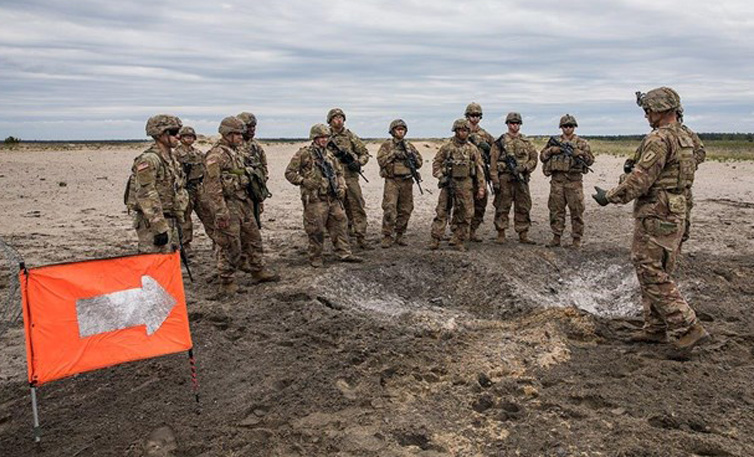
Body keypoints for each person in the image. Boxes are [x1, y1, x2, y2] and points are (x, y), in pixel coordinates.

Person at [593, 87, 709, 351]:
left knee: (648, 267)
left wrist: (610, 196)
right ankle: (655, 327)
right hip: (678, 208)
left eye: (649, 109)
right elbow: (698, 156)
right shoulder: (687, 136)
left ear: (662, 110)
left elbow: (639, 180)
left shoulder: (659, 139)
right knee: (660, 265)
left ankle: (687, 326)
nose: (646, 114)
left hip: (657, 211)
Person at [203, 116, 279, 297]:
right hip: (228, 204)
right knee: (229, 243)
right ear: (228, 134)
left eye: (241, 133)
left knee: (253, 235)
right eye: (237, 134)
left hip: (243, 201)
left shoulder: (235, 151)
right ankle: (227, 280)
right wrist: (221, 212)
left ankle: (257, 269)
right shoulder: (216, 155)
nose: (240, 137)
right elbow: (212, 187)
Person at [285, 123, 363, 267]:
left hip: (332, 197)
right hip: (315, 199)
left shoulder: (330, 155)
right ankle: (315, 256)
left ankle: (344, 253)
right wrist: (303, 181)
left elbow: (339, 172)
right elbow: (289, 173)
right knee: (316, 229)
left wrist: (341, 186)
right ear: (314, 138)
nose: (323, 140)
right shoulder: (304, 154)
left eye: (326, 137)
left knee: (340, 223)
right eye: (320, 137)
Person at [125, 114, 188, 253]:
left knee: (169, 261)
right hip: (153, 223)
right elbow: (146, 194)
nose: (178, 136)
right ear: (160, 135)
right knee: (153, 264)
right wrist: (159, 227)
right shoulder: (149, 160)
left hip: (170, 219)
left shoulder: (171, 159)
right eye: (173, 132)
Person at [428, 119, 485, 251]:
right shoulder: (447, 147)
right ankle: (435, 239)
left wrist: (481, 187)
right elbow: (436, 164)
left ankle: (459, 239)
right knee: (442, 211)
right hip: (449, 183)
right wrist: (441, 176)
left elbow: (479, 169)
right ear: (455, 131)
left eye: (465, 130)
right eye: (459, 130)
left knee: (465, 213)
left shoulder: (472, 149)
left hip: (466, 185)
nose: (462, 133)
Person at [540, 114, 594, 248]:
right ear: (561, 127)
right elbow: (542, 156)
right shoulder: (554, 142)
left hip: (574, 182)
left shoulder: (582, 143)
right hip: (557, 181)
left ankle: (576, 239)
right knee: (556, 210)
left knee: (576, 211)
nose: (568, 129)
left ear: (574, 127)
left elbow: (590, 161)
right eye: (565, 126)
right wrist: (552, 150)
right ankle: (556, 237)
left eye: (570, 126)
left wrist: (580, 153)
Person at [326, 108, 372, 249]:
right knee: (336, 209)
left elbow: (364, 153)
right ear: (330, 120)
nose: (338, 120)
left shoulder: (351, 136)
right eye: (335, 117)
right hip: (333, 179)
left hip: (351, 177)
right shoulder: (325, 137)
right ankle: (341, 240)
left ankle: (361, 237)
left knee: (357, 206)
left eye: (341, 117)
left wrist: (357, 163)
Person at [489, 112, 538, 244]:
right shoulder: (500, 142)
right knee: (502, 206)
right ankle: (501, 233)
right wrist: (495, 180)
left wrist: (526, 167)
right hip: (505, 178)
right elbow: (493, 163)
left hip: (521, 179)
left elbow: (534, 158)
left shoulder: (526, 142)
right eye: (512, 123)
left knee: (523, 205)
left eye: (517, 123)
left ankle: (523, 233)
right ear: (507, 124)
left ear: (520, 125)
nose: (514, 126)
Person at [376, 119, 424, 248]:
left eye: (402, 129)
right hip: (392, 181)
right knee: (390, 208)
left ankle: (400, 234)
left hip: (407, 181)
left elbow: (419, 163)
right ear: (392, 131)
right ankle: (387, 235)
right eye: (398, 129)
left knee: (406, 209)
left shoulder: (409, 146)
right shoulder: (387, 146)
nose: (400, 131)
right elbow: (381, 161)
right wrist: (394, 154)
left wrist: (411, 156)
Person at [174, 126, 213, 254]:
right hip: (185, 188)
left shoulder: (198, 153)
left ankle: (216, 240)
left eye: (191, 137)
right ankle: (185, 244)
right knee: (185, 217)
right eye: (186, 136)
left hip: (198, 187)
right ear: (181, 138)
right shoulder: (176, 154)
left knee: (207, 213)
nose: (189, 139)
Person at [464, 103, 496, 242]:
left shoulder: (485, 135)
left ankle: (473, 231)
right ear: (467, 116)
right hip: (464, 174)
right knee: (463, 204)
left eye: (477, 115)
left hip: (481, 173)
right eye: (472, 115)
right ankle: (460, 232)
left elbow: (494, 152)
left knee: (481, 203)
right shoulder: (462, 131)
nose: (475, 118)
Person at [237, 112, 270, 229]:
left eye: (253, 127)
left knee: (253, 225)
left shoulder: (256, 147)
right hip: (237, 192)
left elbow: (264, 168)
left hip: (253, 191)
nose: (252, 129)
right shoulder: (233, 146)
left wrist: (260, 191)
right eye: (248, 126)